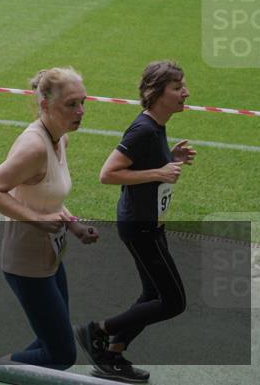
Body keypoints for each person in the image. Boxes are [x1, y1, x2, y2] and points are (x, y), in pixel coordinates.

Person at [76, 60, 195, 383]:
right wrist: (160, 171)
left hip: (150, 222)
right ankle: (98, 331)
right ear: (157, 93)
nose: (185, 92)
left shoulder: (156, 126)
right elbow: (108, 174)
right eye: (177, 87)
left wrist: (169, 159)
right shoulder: (143, 129)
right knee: (173, 302)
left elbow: (141, 168)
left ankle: (112, 354)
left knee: (151, 294)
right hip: (140, 226)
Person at [0, 68, 99, 370]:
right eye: (71, 104)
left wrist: (74, 226)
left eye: (83, 102)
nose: (81, 111)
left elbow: (49, 199)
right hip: (26, 264)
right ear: (45, 105)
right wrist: (35, 219)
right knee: (61, 354)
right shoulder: (34, 147)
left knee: (52, 339)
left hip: (51, 257)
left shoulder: (60, 140)